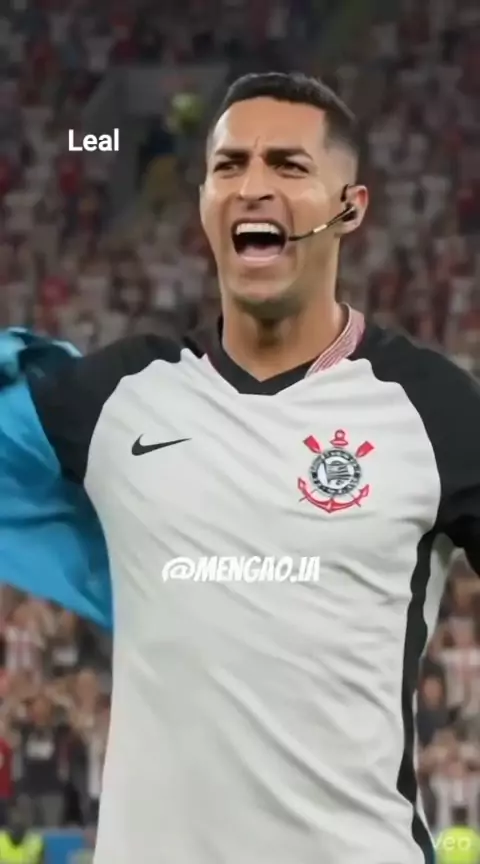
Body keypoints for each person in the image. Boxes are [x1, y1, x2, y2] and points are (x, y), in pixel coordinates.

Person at [1, 71, 480, 864]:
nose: (253, 185)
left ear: (349, 208)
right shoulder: (115, 396)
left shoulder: (435, 409)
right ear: (204, 202)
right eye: (230, 165)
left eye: (288, 165)